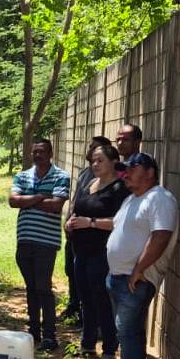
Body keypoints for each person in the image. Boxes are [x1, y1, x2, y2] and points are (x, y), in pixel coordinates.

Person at [101, 152, 177, 359]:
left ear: (150, 172)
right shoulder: (132, 199)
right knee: (127, 331)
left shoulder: (160, 198)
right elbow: (118, 227)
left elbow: (161, 236)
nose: (126, 174)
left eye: (132, 168)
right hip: (118, 277)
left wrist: (139, 269)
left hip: (136, 279)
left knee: (127, 330)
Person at [65, 144, 129, 359]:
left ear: (113, 162)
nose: (95, 164)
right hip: (80, 250)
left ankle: (110, 349)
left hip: (101, 252)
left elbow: (120, 222)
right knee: (85, 298)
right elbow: (77, 209)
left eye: (100, 160)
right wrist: (71, 223)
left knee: (101, 299)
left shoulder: (119, 189)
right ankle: (88, 343)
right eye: (93, 160)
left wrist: (90, 223)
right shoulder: (89, 183)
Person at [9, 138, 70, 351]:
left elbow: (56, 206)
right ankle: (34, 330)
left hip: (46, 241)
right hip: (24, 240)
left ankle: (50, 334)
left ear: (50, 153)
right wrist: (41, 196)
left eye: (42, 152)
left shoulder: (61, 176)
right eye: (34, 152)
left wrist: (28, 199)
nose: (37, 155)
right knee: (31, 287)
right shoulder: (22, 175)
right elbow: (13, 201)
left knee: (43, 287)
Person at [62, 136, 112, 324]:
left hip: (96, 243)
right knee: (72, 271)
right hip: (76, 234)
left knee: (95, 286)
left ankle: (93, 323)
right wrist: (69, 220)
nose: (90, 151)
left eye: (95, 149)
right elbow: (75, 200)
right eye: (90, 147)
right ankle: (74, 306)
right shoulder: (85, 173)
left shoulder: (112, 183)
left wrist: (89, 222)